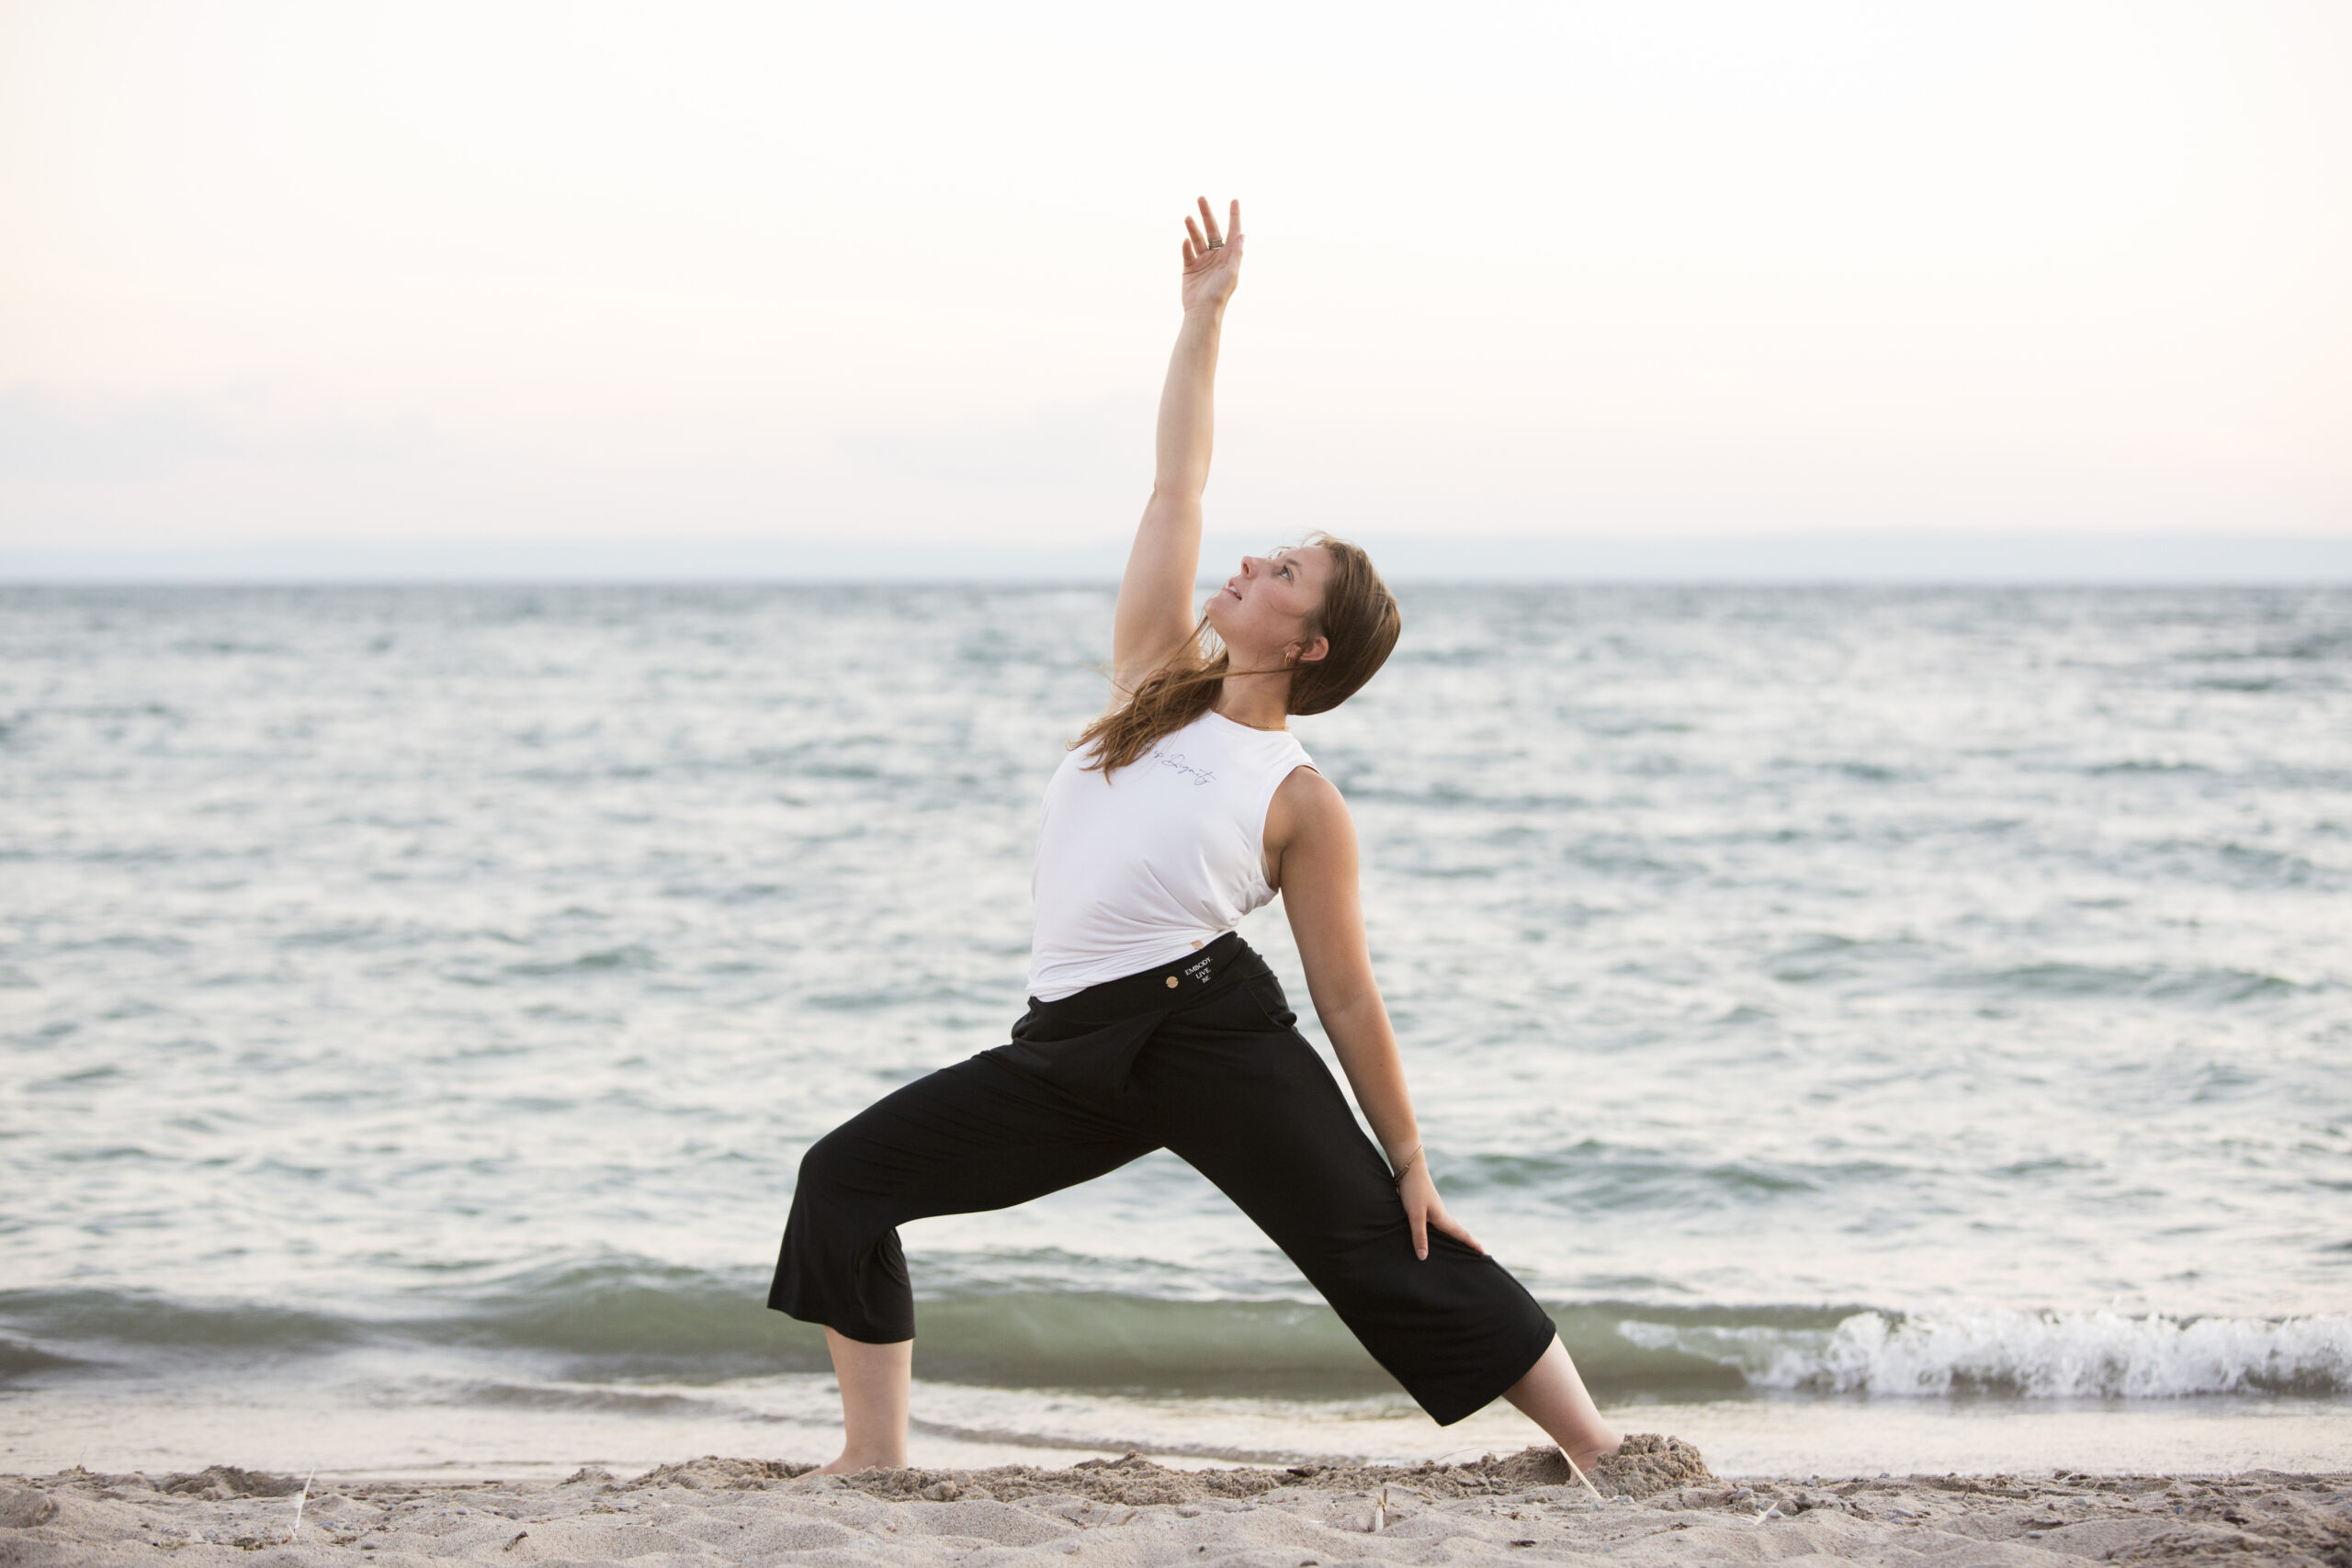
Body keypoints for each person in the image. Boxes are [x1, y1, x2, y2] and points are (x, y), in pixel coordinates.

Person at [768, 197, 1623, 1476]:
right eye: (1269, 554)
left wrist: (1410, 1157)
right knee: (844, 1178)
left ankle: (1603, 1450)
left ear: (1310, 643)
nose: (1250, 566)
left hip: (1207, 1032)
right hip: (1069, 1045)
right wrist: (1202, 322)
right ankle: (876, 1462)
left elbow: (1346, 991)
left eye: (1283, 574)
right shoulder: (1147, 681)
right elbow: (1178, 479)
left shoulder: (1300, 797)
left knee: (1382, 1249)